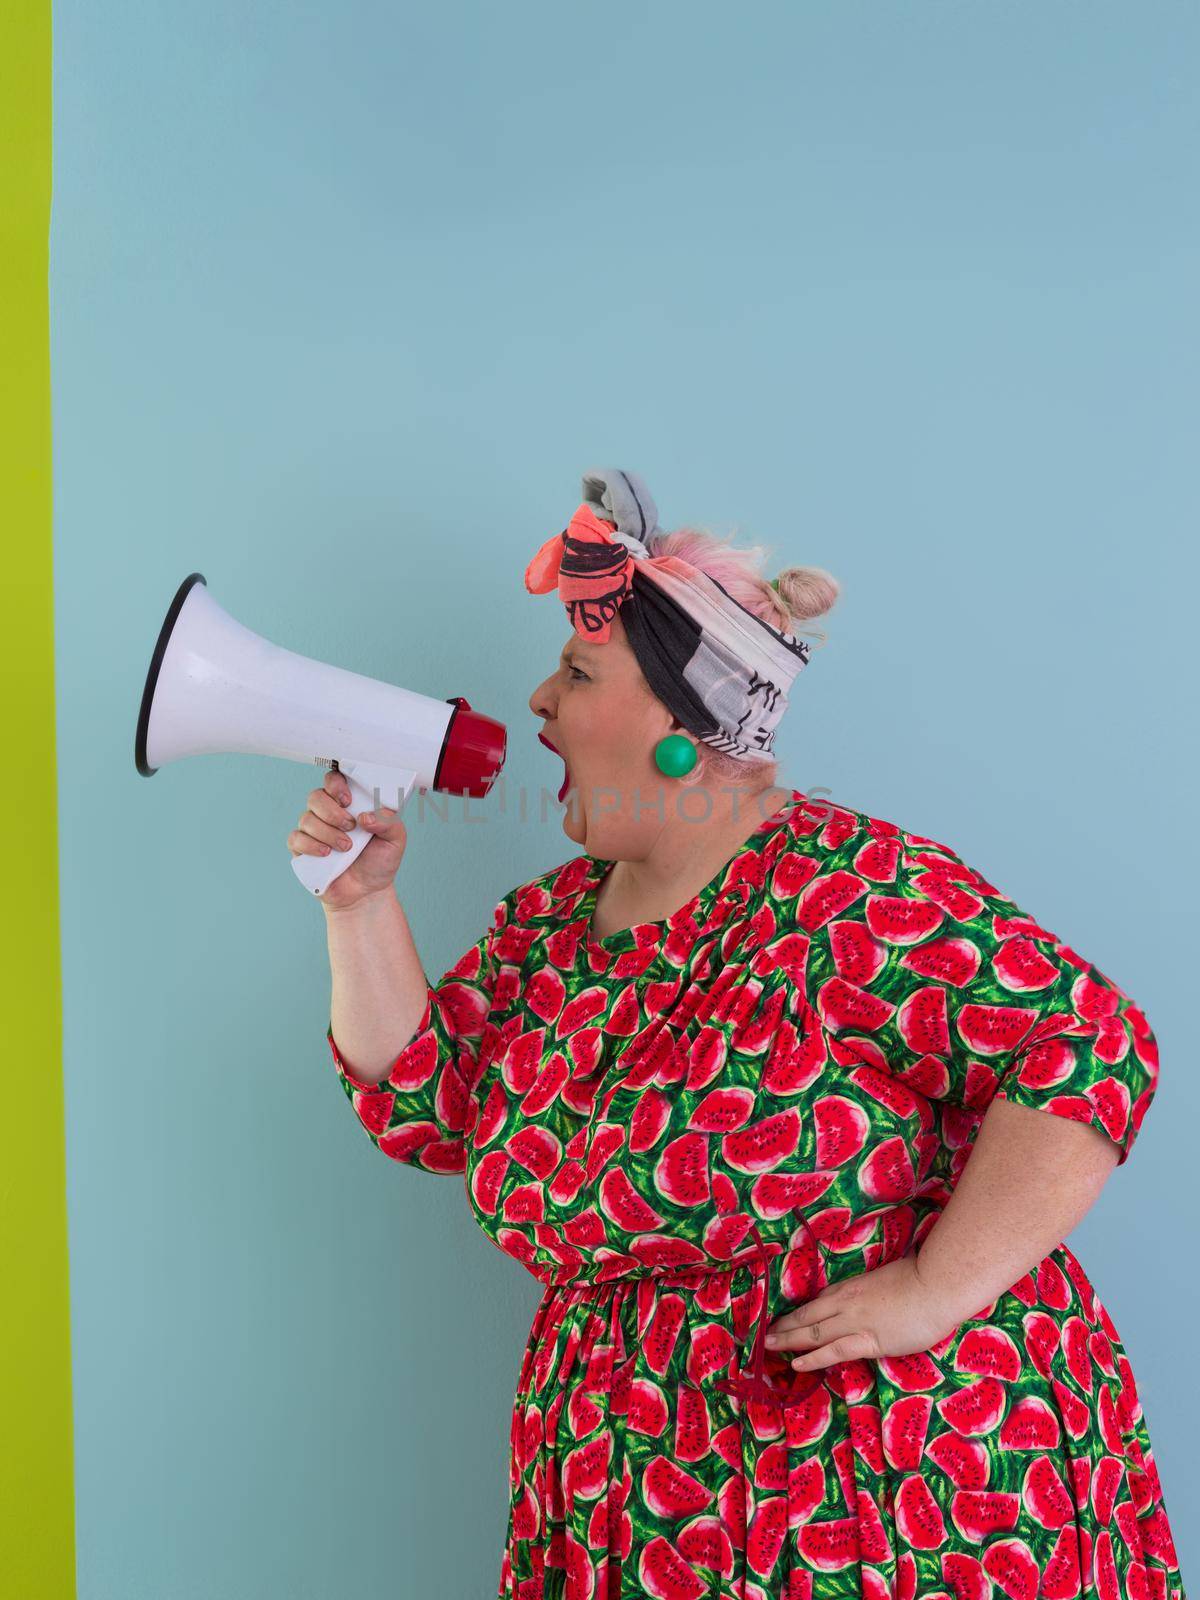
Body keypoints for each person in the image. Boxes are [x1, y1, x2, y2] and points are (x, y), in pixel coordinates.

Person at [289, 469, 1185, 1600]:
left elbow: (1087, 1045)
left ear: (682, 717)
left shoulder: (853, 890)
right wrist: (356, 904)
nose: (538, 703)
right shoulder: (548, 929)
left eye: (576, 672)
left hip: (887, 1512)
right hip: (632, 1512)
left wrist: (936, 1288)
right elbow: (422, 1105)